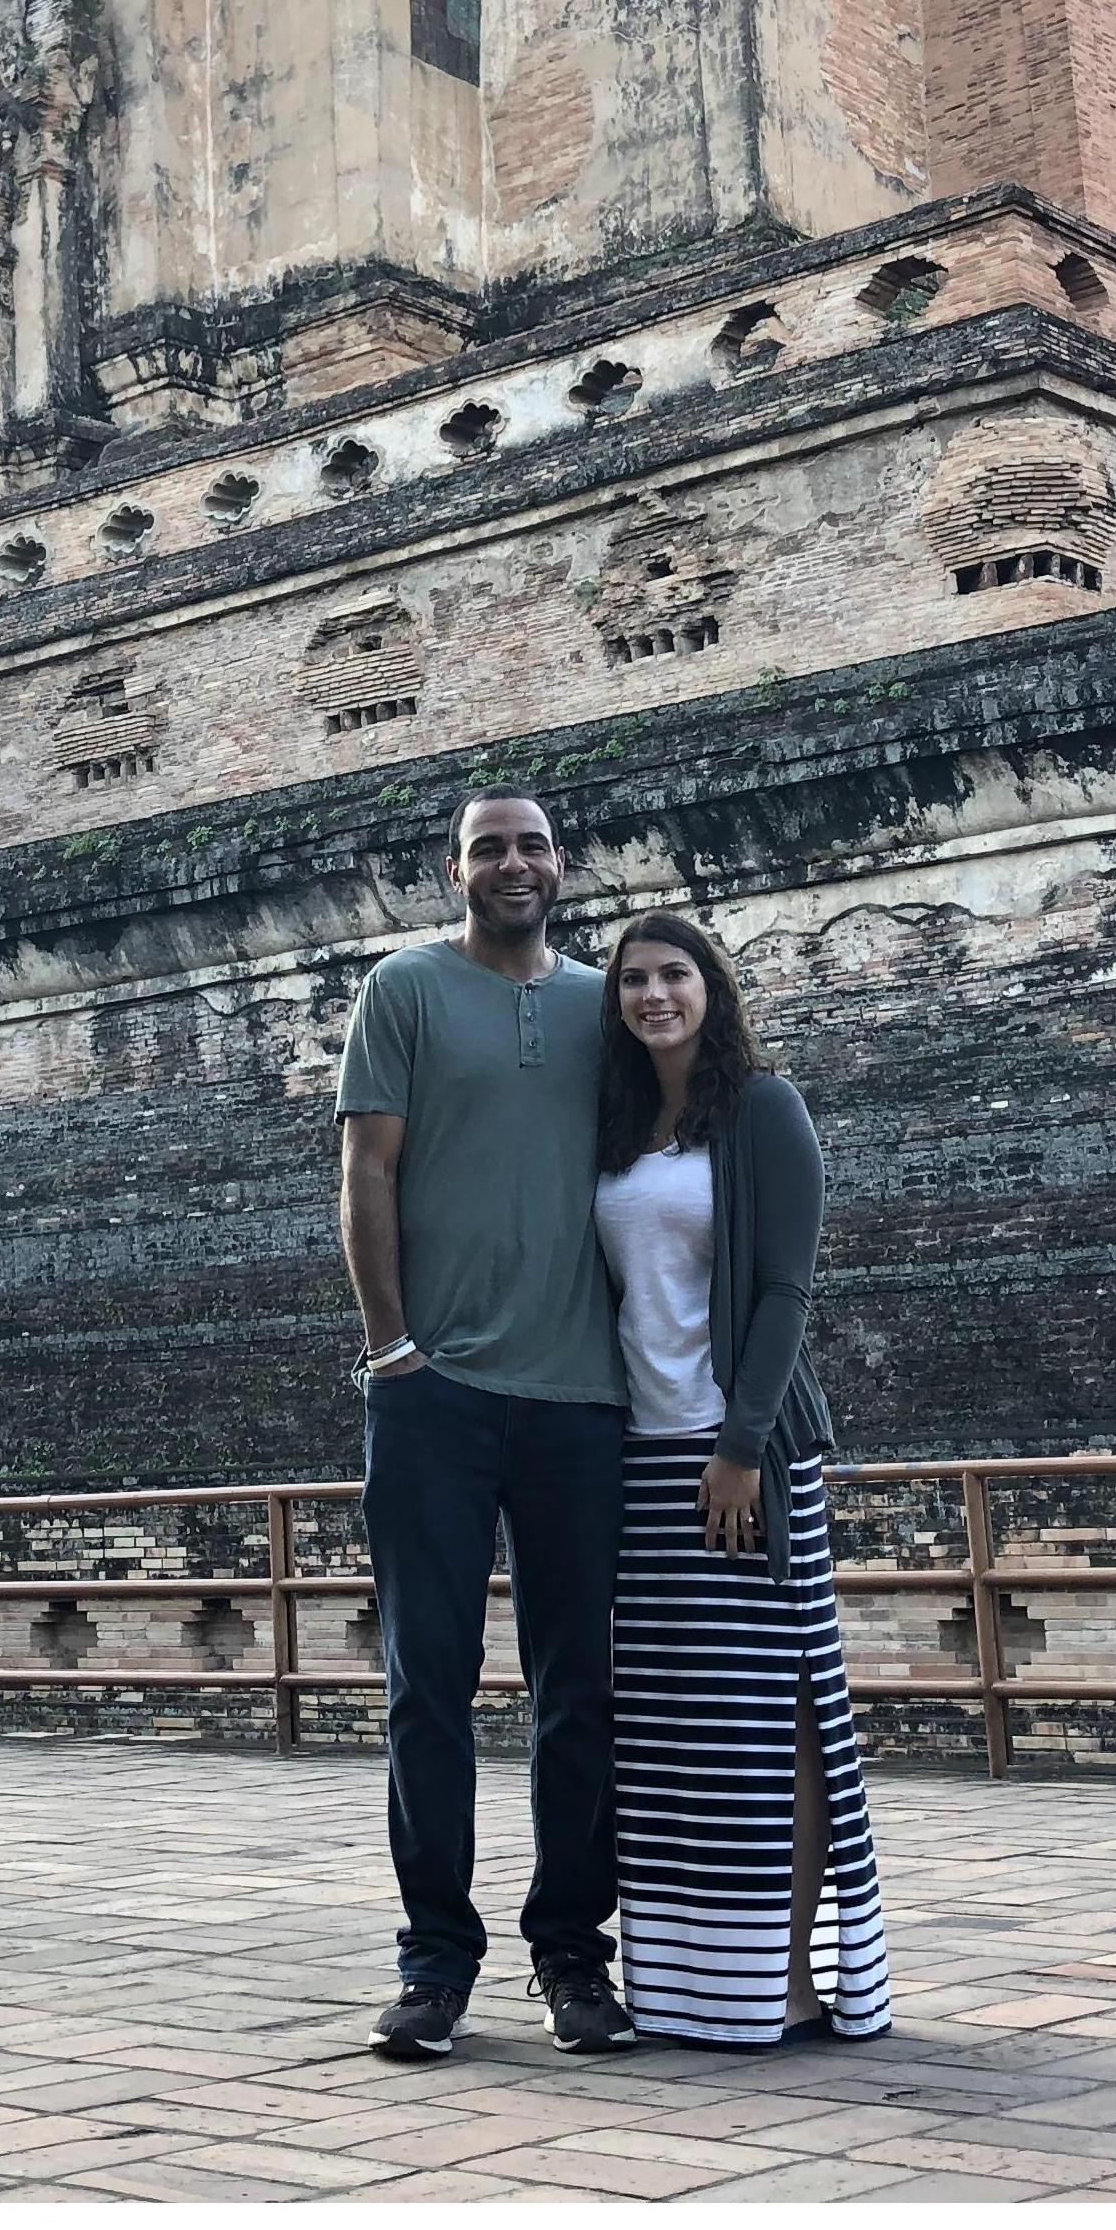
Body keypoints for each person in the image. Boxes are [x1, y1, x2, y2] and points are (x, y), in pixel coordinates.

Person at [337, 788, 636, 2061]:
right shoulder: (404, 989)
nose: (513, 864)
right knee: (428, 1688)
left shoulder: (606, 1005)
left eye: (532, 846)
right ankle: (433, 1963)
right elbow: (367, 1168)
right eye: (488, 848)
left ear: (563, 865)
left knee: (582, 1691)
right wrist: (392, 1349)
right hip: (436, 1394)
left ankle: (572, 1958)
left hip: (583, 1395)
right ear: (452, 868)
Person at [591, 909, 893, 2048]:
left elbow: (784, 1290)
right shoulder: (615, 1124)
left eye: (674, 974)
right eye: (633, 980)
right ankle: (689, 1985)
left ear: (712, 988)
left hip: (742, 1452)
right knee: (677, 1732)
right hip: (638, 1457)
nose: (654, 995)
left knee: (782, 1712)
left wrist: (740, 1448)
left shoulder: (764, 1109)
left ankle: (793, 1976)